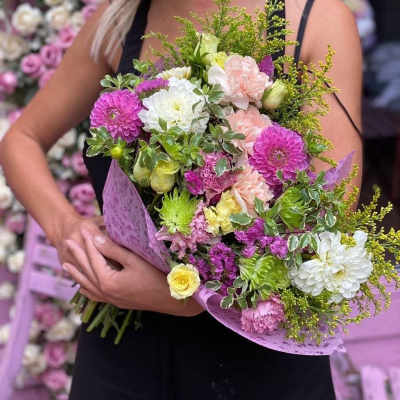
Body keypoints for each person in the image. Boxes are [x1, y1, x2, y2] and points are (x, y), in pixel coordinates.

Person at [0, 0, 363, 398]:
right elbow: (22, 140)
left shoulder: (315, 19)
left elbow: (328, 225)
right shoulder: (121, 20)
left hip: (258, 367)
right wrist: (66, 229)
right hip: (122, 357)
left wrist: (196, 297)